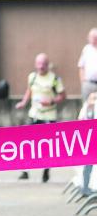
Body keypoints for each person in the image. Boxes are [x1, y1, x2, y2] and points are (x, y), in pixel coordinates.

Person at [15, 53, 66, 183]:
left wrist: (51, 101)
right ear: (35, 64)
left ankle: (46, 172)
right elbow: (29, 91)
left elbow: (62, 95)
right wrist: (23, 102)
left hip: (49, 115)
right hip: (34, 114)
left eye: (43, 64)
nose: (41, 66)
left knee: (47, 146)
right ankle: (25, 170)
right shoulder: (32, 77)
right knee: (26, 142)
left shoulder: (54, 78)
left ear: (47, 65)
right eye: (39, 64)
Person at [77, 92, 97, 195]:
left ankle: (85, 187)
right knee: (88, 164)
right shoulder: (88, 107)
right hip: (90, 140)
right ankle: (85, 187)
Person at [78, 28, 97, 101]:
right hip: (88, 84)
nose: (93, 39)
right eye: (91, 37)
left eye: (95, 37)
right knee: (87, 107)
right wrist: (83, 82)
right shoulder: (86, 49)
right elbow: (81, 66)